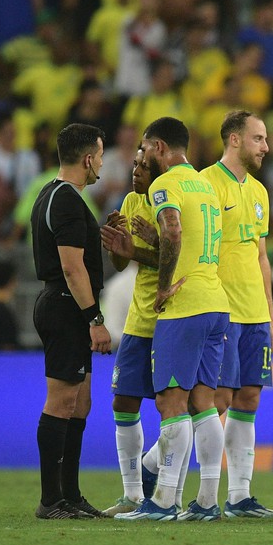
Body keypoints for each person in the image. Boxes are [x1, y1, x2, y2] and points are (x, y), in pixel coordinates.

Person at [115, 117, 229, 521]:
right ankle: (208, 501)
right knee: (204, 403)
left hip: (185, 304)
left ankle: (163, 502)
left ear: (160, 147)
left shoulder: (167, 184)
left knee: (170, 402)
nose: (142, 155)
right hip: (217, 301)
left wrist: (163, 286)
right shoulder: (207, 184)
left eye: (145, 148)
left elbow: (175, 232)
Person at [200, 110, 273, 519]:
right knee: (217, 399)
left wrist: (270, 316)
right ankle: (159, 472)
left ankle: (239, 496)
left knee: (249, 397)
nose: (266, 147)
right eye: (258, 139)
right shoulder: (206, 184)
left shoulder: (259, 192)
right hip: (220, 310)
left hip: (253, 313)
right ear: (234, 140)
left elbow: (262, 257)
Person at [30, 123, 112, 519]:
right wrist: (94, 318)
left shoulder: (54, 193)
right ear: (87, 158)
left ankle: (71, 495)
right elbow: (71, 266)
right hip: (67, 307)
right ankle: (51, 501)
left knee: (80, 403)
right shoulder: (66, 199)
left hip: (64, 306)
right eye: (100, 155)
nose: (102, 163)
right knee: (62, 402)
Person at [98, 147, 166, 516]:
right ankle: (132, 495)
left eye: (142, 166)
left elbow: (178, 257)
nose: (135, 171)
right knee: (123, 400)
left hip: (174, 316)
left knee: (178, 407)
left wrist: (147, 246)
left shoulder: (171, 201)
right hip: (139, 319)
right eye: (134, 165)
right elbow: (122, 262)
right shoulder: (130, 201)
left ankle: (156, 473)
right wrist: (117, 242)